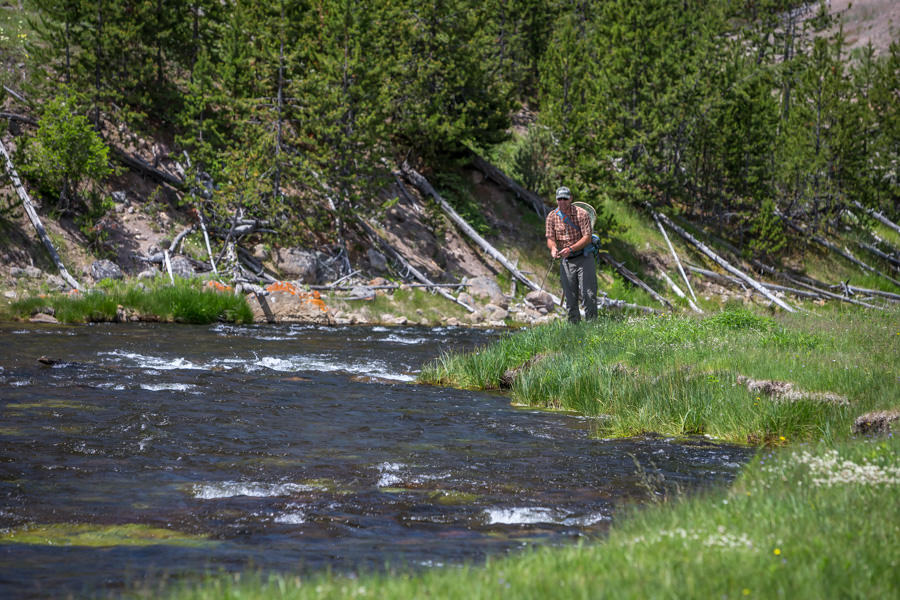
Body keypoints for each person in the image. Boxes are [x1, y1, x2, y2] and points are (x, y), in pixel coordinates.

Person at [545, 186, 597, 323]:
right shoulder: (552, 216)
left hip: (584, 257)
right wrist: (553, 249)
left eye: (565, 199)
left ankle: (593, 326)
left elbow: (587, 237)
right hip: (566, 261)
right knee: (570, 297)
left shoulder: (582, 214)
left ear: (570, 199)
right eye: (559, 199)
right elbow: (550, 238)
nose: (562, 201)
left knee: (589, 294)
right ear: (556, 200)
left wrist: (571, 249)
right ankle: (574, 329)